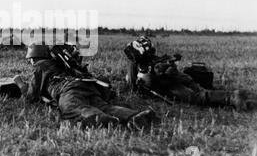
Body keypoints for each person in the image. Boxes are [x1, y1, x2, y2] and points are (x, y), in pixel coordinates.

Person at [15, 43, 159, 130]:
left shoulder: (41, 66)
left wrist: (22, 86)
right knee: (104, 106)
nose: (31, 63)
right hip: (87, 85)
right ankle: (134, 116)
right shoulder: (60, 63)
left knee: (73, 108)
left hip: (68, 89)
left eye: (31, 60)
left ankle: (100, 119)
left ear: (34, 58)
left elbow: (31, 96)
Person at [124, 36, 255, 111]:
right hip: (178, 80)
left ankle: (233, 97)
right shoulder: (145, 63)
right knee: (201, 92)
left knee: (198, 98)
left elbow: (139, 84)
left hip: (173, 84)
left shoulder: (150, 64)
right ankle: (238, 97)